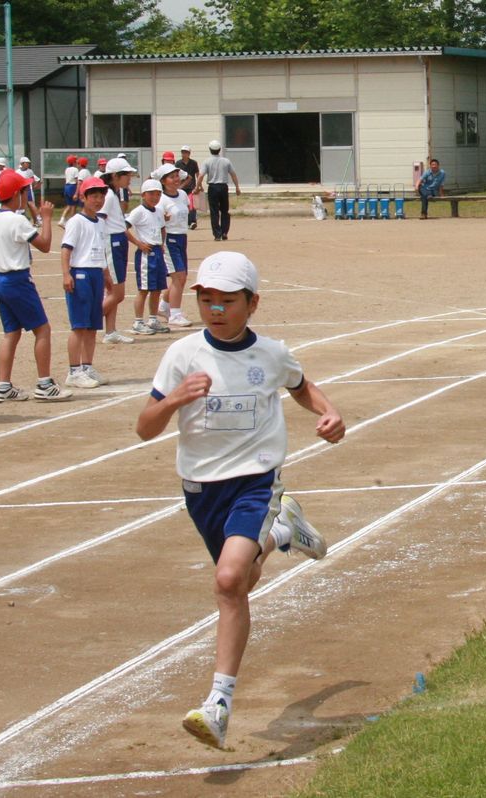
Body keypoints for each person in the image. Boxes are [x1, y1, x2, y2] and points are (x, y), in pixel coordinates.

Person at [136, 251, 344, 750]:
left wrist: (330, 412)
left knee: (228, 581)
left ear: (252, 303)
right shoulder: (183, 355)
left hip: (256, 482)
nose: (215, 310)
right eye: (206, 300)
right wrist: (174, 400)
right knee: (243, 579)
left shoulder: (270, 354)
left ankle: (219, 704)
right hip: (201, 490)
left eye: (227, 301)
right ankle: (283, 532)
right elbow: (144, 429)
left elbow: (300, 386)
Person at [0, 169, 72, 403]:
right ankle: (44, 383)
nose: (26, 195)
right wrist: (47, 219)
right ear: (16, 194)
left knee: (11, 333)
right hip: (17, 279)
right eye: (24, 191)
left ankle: (3, 385)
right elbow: (44, 245)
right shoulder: (17, 220)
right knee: (42, 329)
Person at [60, 176, 113, 389]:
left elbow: (101, 250)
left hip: (95, 274)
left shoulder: (100, 222)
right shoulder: (76, 222)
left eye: (101, 196)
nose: (98, 200)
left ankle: (87, 366)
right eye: (94, 196)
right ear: (84, 197)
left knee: (92, 326)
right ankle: (74, 371)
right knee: (79, 326)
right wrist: (66, 274)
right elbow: (66, 249)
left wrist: (106, 275)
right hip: (80, 273)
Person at [100, 156, 139, 345]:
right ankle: (88, 323)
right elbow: (99, 220)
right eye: (126, 175)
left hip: (117, 241)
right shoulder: (107, 195)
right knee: (118, 293)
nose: (129, 179)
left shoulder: (113, 194)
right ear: (115, 176)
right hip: (112, 242)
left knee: (111, 292)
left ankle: (111, 331)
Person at [127, 178, 170, 336]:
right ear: (144, 194)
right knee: (144, 289)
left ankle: (153, 319)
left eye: (158, 194)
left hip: (157, 251)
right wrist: (139, 243)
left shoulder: (159, 211)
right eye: (151, 194)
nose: (155, 197)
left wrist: (162, 243)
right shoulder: (138, 211)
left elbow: (163, 228)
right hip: (146, 253)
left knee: (157, 288)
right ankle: (138, 321)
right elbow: (124, 228)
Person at [154, 163, 193, 328]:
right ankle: (175, 314)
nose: (176, 179)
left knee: (181, 278)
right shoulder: (161, 199)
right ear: (163, 181)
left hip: (182, 237)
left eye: (177, 175)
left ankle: (164, 306)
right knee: (179, 277)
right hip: (169, 239)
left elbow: (187, 211)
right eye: (172, 177)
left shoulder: (183, 194)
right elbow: (155, 221)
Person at [201, 140, 240, 241]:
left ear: (210, 150)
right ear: (219, 150)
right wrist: (237, 187)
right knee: (224, 210)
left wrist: (198, 186)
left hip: (213, 187)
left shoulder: (207, 161)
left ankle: (217, 234)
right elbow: (233, 174)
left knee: (214, 211)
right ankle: (224, 232)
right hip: (223, 187)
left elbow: (201, 175)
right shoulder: (226, 161)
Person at [176, 145, 201, 230]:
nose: (184, 154)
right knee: (183, 205)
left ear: (189, 153)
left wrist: (199, 185)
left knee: (192, 205)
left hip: (192, 187)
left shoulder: (194, 163)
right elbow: (176, 176)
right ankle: (185, 222)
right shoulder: (178, 163)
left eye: (186, 152)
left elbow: (197, 174)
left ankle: (192, 221)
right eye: (183, 152)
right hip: (181, 188)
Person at [58, 154, 79, 227]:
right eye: (75, 161)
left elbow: (65, 179)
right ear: (73, 162)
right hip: (72, 186)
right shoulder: (75, 169)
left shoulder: (67, 169)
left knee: (69, 205)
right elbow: (77, 181)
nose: (76, 162)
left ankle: (62, 219)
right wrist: (77, 192)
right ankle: (72, 223)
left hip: (66, 186)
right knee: (73, 206)